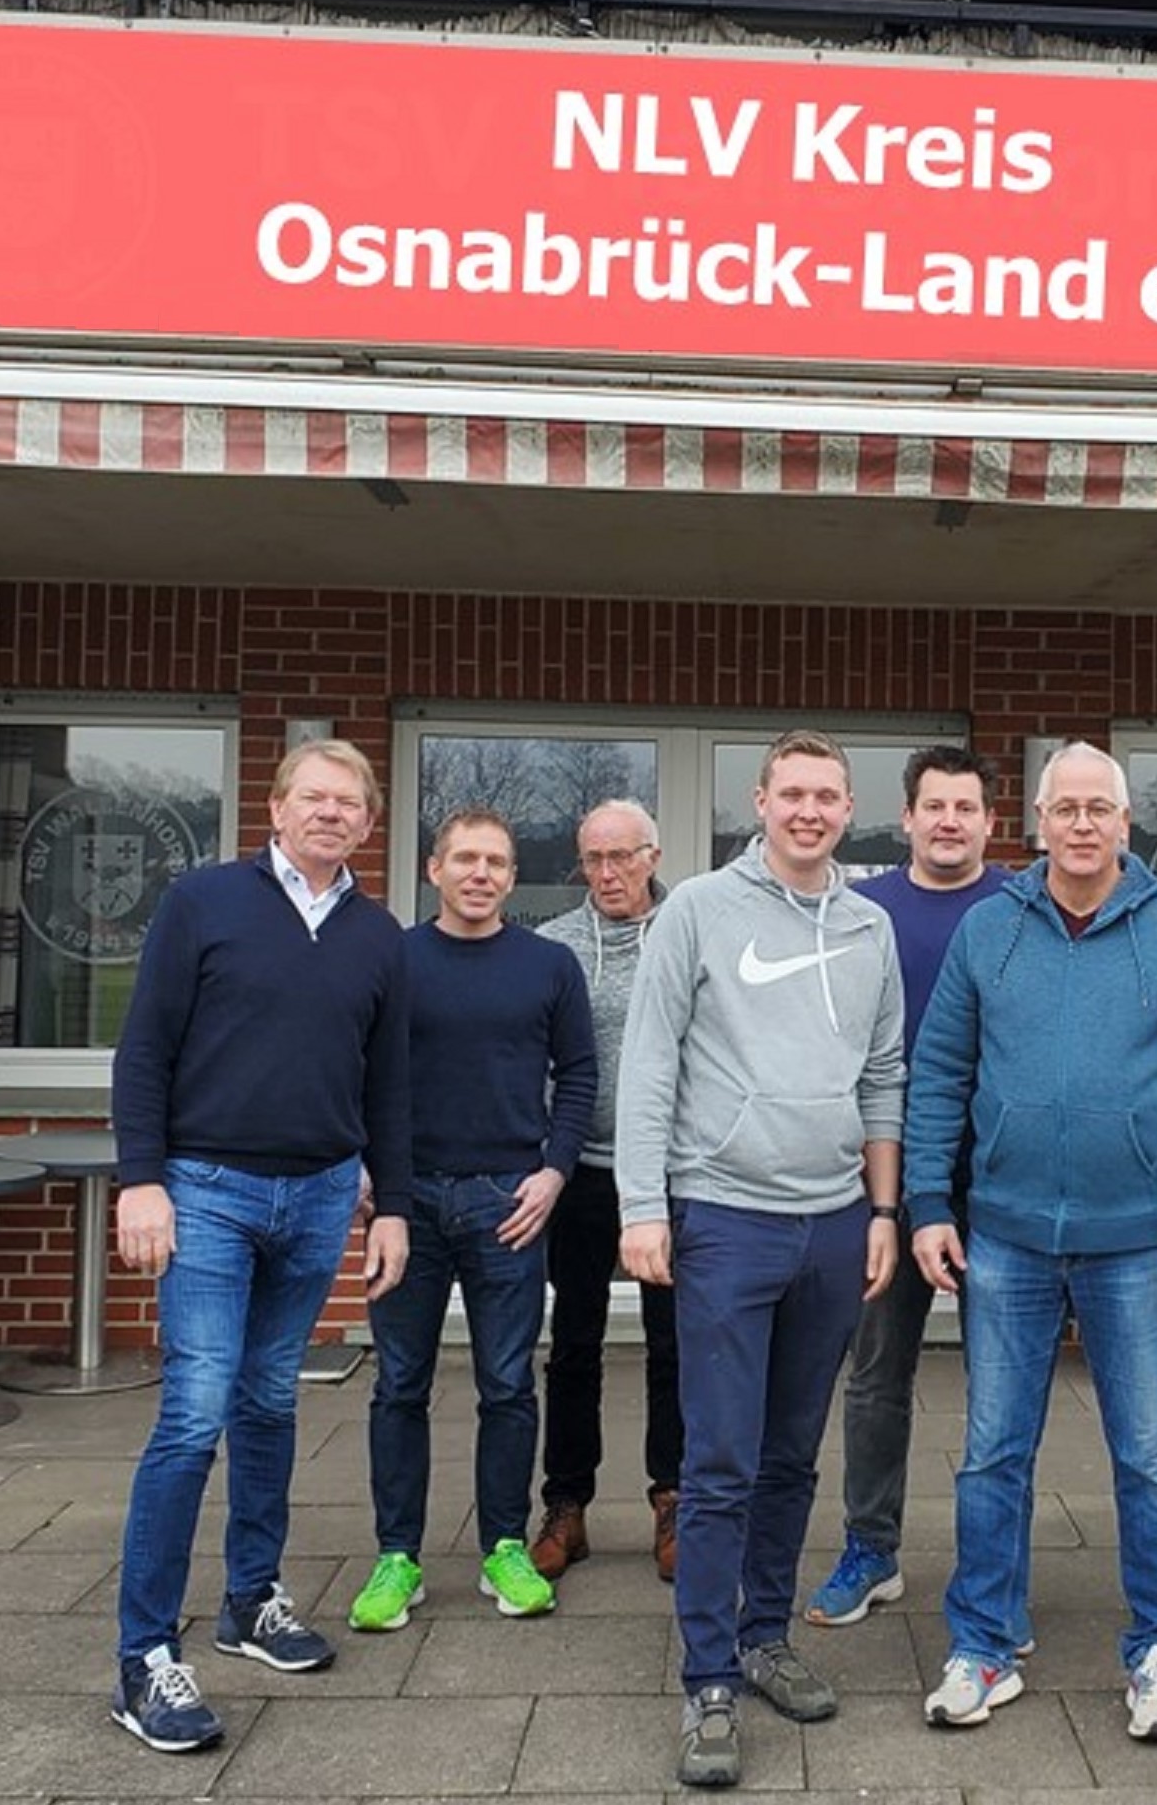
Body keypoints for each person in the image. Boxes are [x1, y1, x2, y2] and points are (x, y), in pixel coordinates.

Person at [907, 741, 1157, 1746]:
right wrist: (928, 1201)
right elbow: (940, 1074)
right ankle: (982, 1643)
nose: (1084, 824)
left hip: (1138, 1243)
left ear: (1125, 822)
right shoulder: (989, 930)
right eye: (1066, 808)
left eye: (1101, 808)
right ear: (1039, 821)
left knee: (1148, 1458)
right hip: (1007, 1237)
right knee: (991, 1454)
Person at [108, 739, 412, 1754]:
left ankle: (251, 1599)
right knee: (195, 1413)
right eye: (313, 797)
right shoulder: (202, 902)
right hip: (207, 1190)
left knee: (271, 1399)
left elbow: (388, 1085)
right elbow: (145, 1048)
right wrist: (141, 1178)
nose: (331, 813)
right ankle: (145, 1656)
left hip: (322, 1195)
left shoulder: (378, 935)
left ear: (368, 822)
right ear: (276, 808)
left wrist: (392, 1205)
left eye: (349, 802)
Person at [617, 728, 905, 1791]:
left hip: (833, 1222)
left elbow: (884, 1075)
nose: (810, 811)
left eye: (828, 796)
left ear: (848, 809)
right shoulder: (696, 909)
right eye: (793, 793)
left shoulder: (870, 924)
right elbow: (648, 1063)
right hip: (724, 1218)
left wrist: (882, 1210)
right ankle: (706, 1679)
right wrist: (642, 1207)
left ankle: (764, 1637)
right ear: (760, 800)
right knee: (720, 1461)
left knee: (790, 1456)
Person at [350, 808, 596, 1632]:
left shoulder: (549, 965)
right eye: (465, 859)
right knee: (399, 1384)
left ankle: (504, 1547)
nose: (480, 874)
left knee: (508, 1383)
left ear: (512, 876)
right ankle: (397, 1557)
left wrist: (554, 1173)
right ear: (435, 869)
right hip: (407, 1201)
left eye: (496, 861)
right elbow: (355, 1067)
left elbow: (580, 1074)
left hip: (508, 1202)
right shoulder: (393, 961)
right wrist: (367, 1168)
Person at [806, 746, 1009, 1628]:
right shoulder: (863, 914)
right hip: (886, 1179)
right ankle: (871, 1549)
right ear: (908, 817)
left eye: (966, 807)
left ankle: (994, 1569)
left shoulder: (1020, 907)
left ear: (991, 822)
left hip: (1000, 1182)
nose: (949, 822)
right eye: (935, 806)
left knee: (1003, 1385)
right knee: (877, 1374)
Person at [530, 800, 682, 1584]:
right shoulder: (555, 947)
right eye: (592, 858)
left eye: (622, 856)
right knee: (574, 1344)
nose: (607, 872)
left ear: (652, 855)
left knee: (673, 1345)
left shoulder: (689, 932)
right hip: (581, 1169)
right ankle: (566, 1505)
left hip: (668, 1173)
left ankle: (673, 1497)